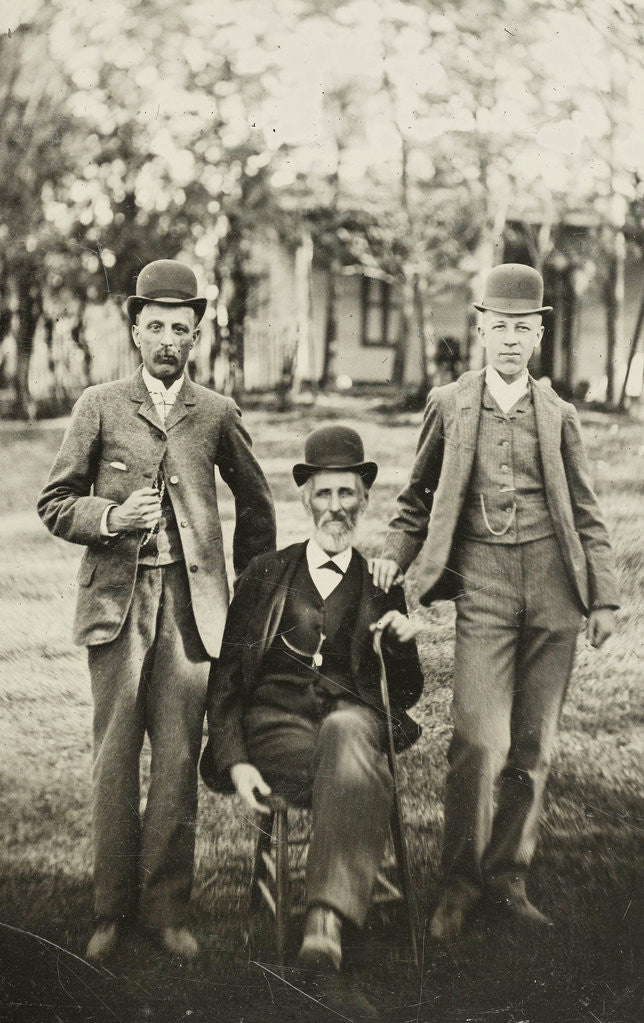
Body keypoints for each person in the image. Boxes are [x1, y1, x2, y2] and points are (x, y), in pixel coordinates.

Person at [370, 263, 619, 940]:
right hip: (482, 583)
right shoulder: (449, 404)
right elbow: (414, 499)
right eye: (498, 326)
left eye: (523, 328)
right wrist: (394, 558)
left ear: (538, 335)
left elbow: (590, 515)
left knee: (533, 745)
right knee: (480, 739)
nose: (509, 339)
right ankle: (458, 886)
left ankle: (507, 880)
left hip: (556, 592)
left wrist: (603, 598)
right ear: (480, 328)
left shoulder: (559, 414)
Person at [37, 259, 276, 962]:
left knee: (176, 757)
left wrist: (251, 595)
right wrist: (111, 516)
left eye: (181, 327)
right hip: (115, 605)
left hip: (193, 612)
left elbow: (257, 505)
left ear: (196, 334)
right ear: (135, 329)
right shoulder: (99, 405)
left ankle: (168, 907)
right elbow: (53, 502)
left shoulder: (217, 412)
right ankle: (110, 910)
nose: (168, 338)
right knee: (114, 757)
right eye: (156, 326)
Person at [200, 425, 423, 975]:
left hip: (352, 724)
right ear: (304, 500)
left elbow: (408, 691)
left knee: (347, 734)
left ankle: (323, 919)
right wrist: (237, 761)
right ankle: (338, 903)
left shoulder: (381, 581)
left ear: (365, 500)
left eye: (347, 493)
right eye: (324, 493)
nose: (335, 507)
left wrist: (398, 644)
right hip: (279, 731)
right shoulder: (265, 575)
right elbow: (226, 681)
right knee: (354, 768)